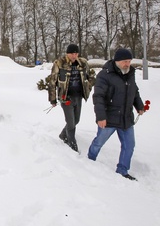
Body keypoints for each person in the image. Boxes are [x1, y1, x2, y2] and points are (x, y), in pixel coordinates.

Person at [87, 48, 145, 181]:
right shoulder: (104, 75)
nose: (127, 64)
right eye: (125, 61)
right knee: (99, 142)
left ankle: (122, 170)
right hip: (109, 118)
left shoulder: (130, 73)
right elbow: (99, 97)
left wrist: (139, 106)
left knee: (129, 145)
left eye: (129, 61)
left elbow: (134, 91)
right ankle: (89, 160)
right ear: (117, 61)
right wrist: (101, 117)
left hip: (126, 118)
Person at [47, 44, 95, 152]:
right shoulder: (59, 63)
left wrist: (88, 87)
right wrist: (53, 99)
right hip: (66, 97)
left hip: (78, 96)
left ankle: (63, 135)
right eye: (72, 53)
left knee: (76, 120)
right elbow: (52, 82)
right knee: (71, 122)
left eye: (76, 53)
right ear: (67, 53)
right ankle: (72, 144)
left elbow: (91, 77)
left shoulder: (83, 63)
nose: (74, 56)